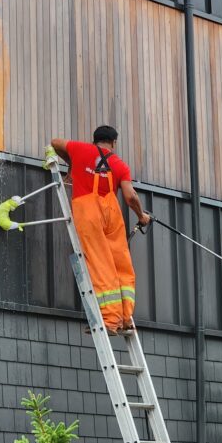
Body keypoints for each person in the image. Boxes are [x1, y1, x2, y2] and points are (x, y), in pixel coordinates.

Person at [45, 125, 151, 335]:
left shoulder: (80, 149)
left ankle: (110, 320)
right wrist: (142, 216)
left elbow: (55, 142)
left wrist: (72, 165)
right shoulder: (120, 165)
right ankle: (126, 317)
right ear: (113, 142)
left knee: (100, 263)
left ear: (94, 139)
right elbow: (130, 196)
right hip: (112, 214)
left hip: (88, 212)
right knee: (122, 264)